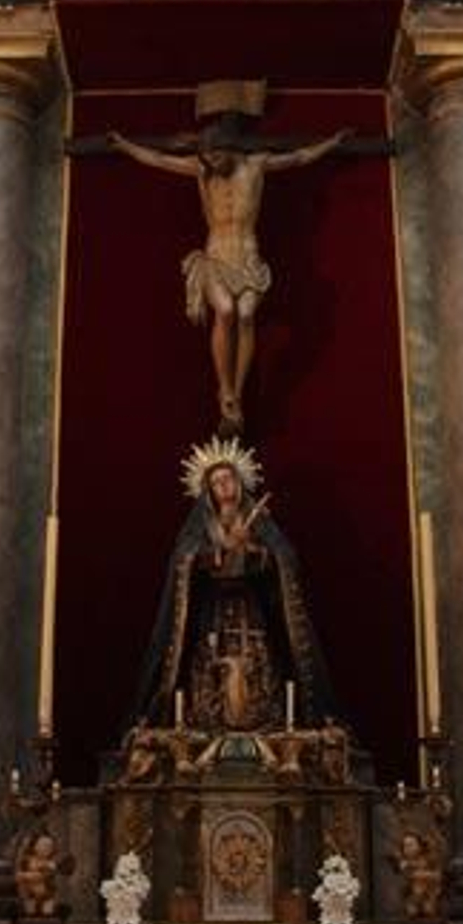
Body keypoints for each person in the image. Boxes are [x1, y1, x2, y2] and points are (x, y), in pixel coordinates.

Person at [107, 82, 348, 435]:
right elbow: (159, 159)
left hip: (248, 258)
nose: (212, 163)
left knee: (247, 315)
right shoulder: (202, 170)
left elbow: (298, 158)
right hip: (217, 257)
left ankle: (237, 391)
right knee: (225, 311)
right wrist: (126, 145)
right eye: (207, 158)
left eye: (217, 157)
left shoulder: (256, 166)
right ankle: (226, 391)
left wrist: (331, 143)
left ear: (231, 149)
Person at [130, 437, 338, 736]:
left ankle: (260, 713)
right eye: (217, 482)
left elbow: (285, 557)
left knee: (257, 659)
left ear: (239, 482)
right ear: (209, 491)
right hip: (212, 607)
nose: (224, 486)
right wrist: (217, 553)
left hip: (251, 605)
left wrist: (253, 551)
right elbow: (182, 559)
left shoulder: (258, 520)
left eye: (228, 478)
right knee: (211, 661)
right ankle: (210, 714)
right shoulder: (202, 525)